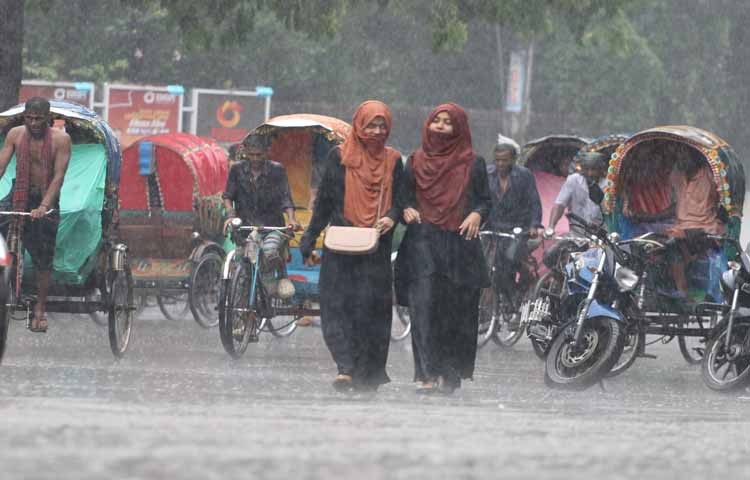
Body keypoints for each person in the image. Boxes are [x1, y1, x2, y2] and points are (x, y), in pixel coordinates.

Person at [300, 100, 402, 392]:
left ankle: (367, 372)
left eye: (382, 125)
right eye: (371, 124)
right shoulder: (339, 157)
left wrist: (391, 217)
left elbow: (402, 198)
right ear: (359, 125)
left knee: (370, 310)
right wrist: (309, 239)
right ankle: (344, 366)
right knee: (335, 306)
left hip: (375, 246)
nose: (377, 131)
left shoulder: (394, 161)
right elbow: (325, 203)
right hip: (341, 244)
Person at [394, 103, 491, 395]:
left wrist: (476, 214)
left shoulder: (473, 163)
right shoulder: (414, 162)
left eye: (448, 123)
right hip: (423, 243)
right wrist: (407, 210)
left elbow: (485, 200)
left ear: (459, 129)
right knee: (423, 310)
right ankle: (426, 374)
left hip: (460, 246)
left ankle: (450, 373)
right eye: (437, 121)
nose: (440, 126)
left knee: (455, 314)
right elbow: (403, 198)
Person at [0, 97, 71, 333]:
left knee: (43, 255)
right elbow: (1, 167)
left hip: (45, 197)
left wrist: (44, 205)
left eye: (39, 118)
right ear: (24, 118)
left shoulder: (61, 140)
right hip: (18, 194)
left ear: (48, 118)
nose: (34, 122)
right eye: (29, 118)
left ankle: (40, 310)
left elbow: (58, 176)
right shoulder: (15, 135)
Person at [222, 134, 300, 301]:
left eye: (259, 154)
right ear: (246, 152)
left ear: (267, 152)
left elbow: (286, 197)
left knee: (269, 252)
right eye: (252, 154)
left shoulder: (277, 170)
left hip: (272, 226)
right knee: (244, 260)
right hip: (246, 226)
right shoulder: (237, 170)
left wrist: (292, 219)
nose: (255, 158)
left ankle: (271, 285)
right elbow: (228, 196)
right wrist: (230, 215)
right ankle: (244, 294)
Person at [485, 136, 544, 295]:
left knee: (509, 261)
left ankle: (519, 290)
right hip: (493, 227)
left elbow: (534, 202)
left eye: (504, 160)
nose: (500, 164)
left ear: (513, 160)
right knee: (487, 265)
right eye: (497, 160)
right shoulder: (487, 174)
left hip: (518, 229)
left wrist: (534, 225)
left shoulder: (524, 175)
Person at [664, 153, 724, 298]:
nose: (683, 162)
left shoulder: (709, 176)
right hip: (682, 227)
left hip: (705, 227)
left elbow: (722, 201)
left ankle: (683, 291)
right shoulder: (679, 177)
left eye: (686, 158)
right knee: (654, 244)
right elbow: (677, 204)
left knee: (673, 246)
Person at [548, 151, 607, 234]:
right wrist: (551, 227)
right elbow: (559, 205)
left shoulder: (608, 185)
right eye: (586, 169)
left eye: (593, 169)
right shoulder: (573, 180)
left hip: (600, 234)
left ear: (601, 169)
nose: (590, 173)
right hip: (577, 233)